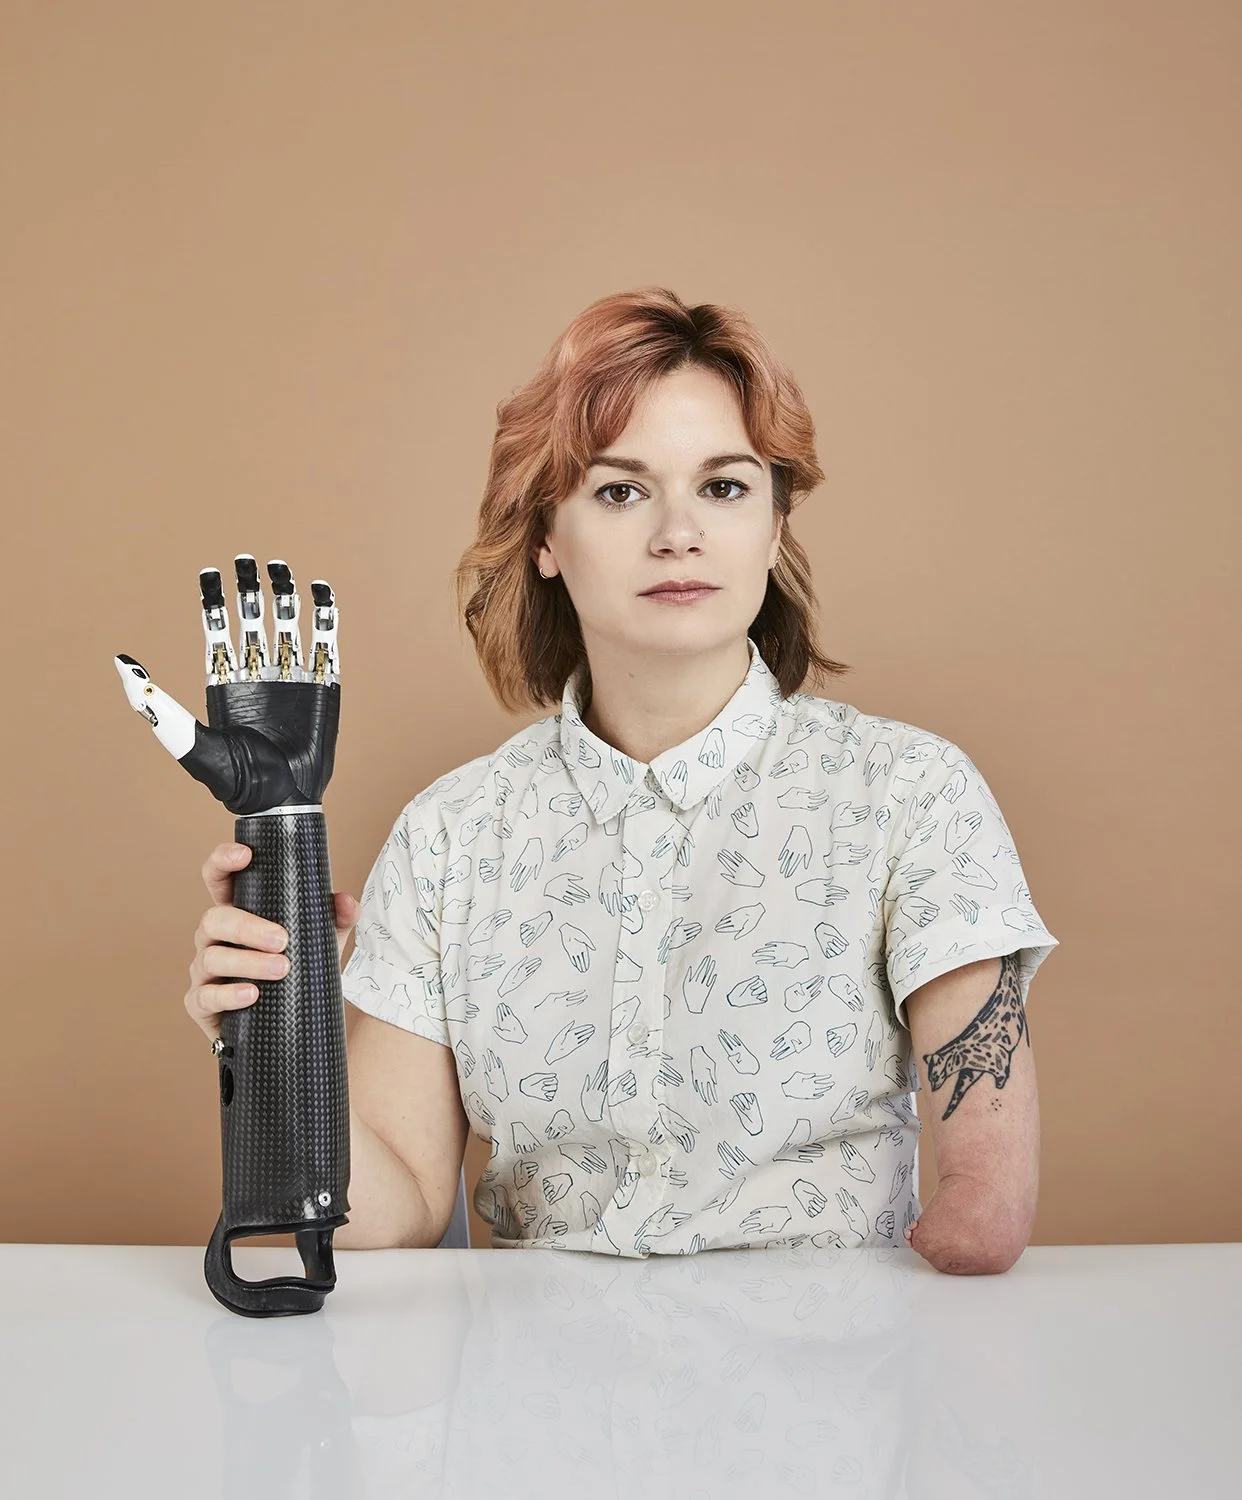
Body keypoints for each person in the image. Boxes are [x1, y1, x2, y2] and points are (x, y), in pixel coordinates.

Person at [185, 286, 1059, 1260]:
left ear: (775, 527)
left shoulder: (910, 796)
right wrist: (278, 1038)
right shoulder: (450, 837)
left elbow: (986, 1207)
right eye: (620, 490)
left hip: (826, 1393)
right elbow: (391, 1207)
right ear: (547, 540)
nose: (677, 531)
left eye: (724, 487)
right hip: (529, 1399)